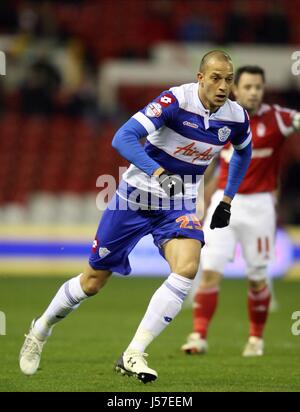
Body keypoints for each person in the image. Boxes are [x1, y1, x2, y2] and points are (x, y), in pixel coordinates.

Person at [19, 50, 252, 383]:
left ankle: (134, 353)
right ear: (200, 77)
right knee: (92, 283)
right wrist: (157, 171)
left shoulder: (236, 117)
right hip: (135, 196)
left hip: (178, 203)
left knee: (187, 266)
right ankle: (40, 329)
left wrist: (227, 197)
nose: (222, 85)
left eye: (229, 79)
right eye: (215, 78)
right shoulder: (174, 101)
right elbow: (123, 137)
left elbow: (245, 152)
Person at [181, 65, 300, 357]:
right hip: (225, 202)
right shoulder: (221, 116)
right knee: (208, 272)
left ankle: (256, 338)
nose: (253, 92)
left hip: (259, 207)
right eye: (247, 87)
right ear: (235, 89)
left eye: (258, 87)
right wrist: (199, 199)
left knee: (258, 277)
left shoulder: (279, 118)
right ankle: (198, 335)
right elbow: (208, 161)